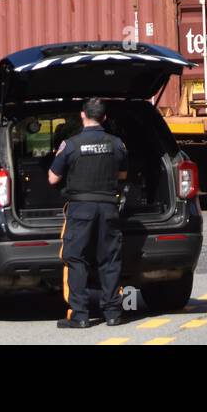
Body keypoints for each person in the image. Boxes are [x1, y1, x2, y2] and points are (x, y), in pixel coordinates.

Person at [48, 97, 128, 328]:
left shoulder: (71, 145)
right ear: (105, 117)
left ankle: (80, 315)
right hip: (108, 208)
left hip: (80, 209)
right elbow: (122, 177)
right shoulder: (117, 144)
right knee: (110, 258)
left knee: (76, 258)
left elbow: (53, 178)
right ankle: (113, 313)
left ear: (82, 115)